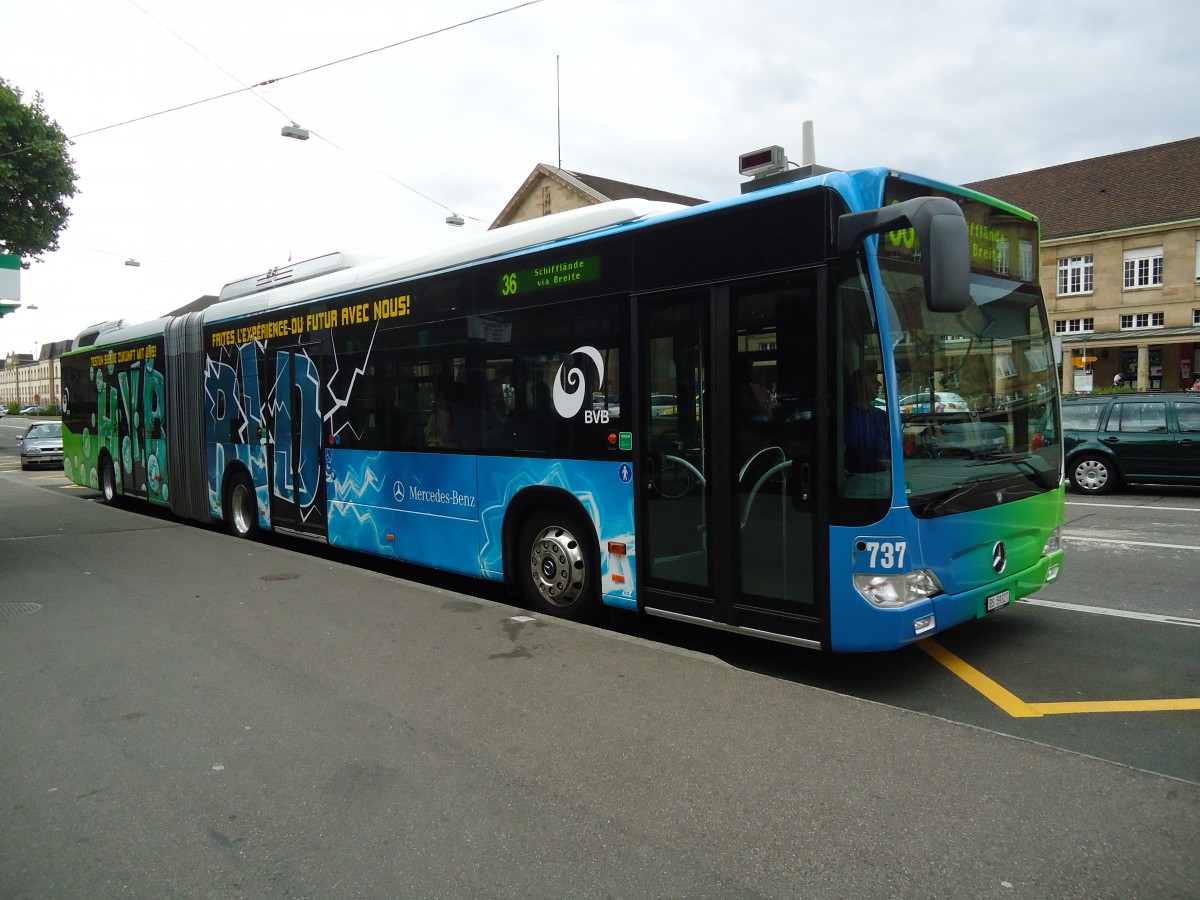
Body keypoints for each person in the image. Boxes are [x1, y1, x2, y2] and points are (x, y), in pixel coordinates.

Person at [844, 367, 889, 475]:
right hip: (864, 476)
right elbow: (843, 449)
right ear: (859, 385)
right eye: (873, 380)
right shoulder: (853, 416)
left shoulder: (881, 414)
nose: (879, 384)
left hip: (887, 473)